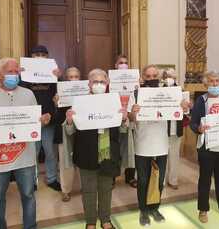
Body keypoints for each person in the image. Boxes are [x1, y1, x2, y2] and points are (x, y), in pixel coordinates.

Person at [0, 58, 50, 229]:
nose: (14, 75)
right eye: (10, 72)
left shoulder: (29, 94)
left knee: (28, 195)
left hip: (25, 157)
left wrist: (42, 120)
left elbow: (34, 123)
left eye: (16, 71)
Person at [129, 65, 190, 226]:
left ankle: (155, 208)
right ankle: (143, 210)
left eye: (155, 75)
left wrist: (184, 107)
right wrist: (133, 113)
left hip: (162, 144)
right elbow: (129, 119)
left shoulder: (168, 93)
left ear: (159, 77)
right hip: (142, 145)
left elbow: (180, 111)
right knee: (143, 180)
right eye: (148, 76)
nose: (152, 78)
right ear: (143, 77)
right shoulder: (135, 94)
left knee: (159, 179)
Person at [65, 69, 123, 229]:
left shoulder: (114, 101)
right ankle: (90, 222)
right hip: (85, 152)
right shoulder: (80, 102)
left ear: (107, 83)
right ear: (88, 84)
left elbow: (122, 130)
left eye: (102, 82)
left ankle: (105, 219)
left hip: (107, 152)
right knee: (88, 190)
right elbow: (70, 131)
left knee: (106, 189)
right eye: (95, 82)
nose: (99, 85)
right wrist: (70, 121)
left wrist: (123, 118)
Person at [190, 70, 219, 223]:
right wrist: (198, 128)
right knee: (204, 179)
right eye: (211, 81)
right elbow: (193, 122)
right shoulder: (201, 101)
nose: (215, 84)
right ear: (206, 84)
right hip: (207, 148)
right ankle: (203, 209)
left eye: (217, 81)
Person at [20, 45, 61, 191]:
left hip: (48, 119)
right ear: (31, 56)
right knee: (33, 152)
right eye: (37, 54)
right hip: (31, 120)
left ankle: (51, 179)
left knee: (50, 151)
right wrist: (21, 76)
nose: (40, 56)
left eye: (43, 54)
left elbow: (58, 96)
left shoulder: (52, 74)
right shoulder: (23, 75)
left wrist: (59, 77)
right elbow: (20, 93)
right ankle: (32, 181)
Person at [53, 67, 81, 202]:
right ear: (66, 78)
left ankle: (85, 186)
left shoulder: (86, 92)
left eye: (76, 76)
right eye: (71, 77)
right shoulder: (60, 93)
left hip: (82, 132)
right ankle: (65, 190)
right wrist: (56, 105)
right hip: (64, 132)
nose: (73, 79)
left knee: (83, 161)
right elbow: (56, 118)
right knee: (65, 162)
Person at [114, 55, 137, 188]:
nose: (123, 65)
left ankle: (130, 177)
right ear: (116, 65)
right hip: (115, 119)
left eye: (126, 62)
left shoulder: (134, 81)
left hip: (131, 118)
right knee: (114, 148)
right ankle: (112, 177)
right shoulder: (109, 82)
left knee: (130, 148)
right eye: (120, 63)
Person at [162, 68, 187, 190]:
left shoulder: (181, 91)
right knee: (162, 156)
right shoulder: (159, 90)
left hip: (176, 129)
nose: (169, 78)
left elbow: (186, 111)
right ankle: (161, 180)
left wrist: (187, 106)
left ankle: (173, 180)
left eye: (172, 76)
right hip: (162, 130)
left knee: (174, 156)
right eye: (167, 76)